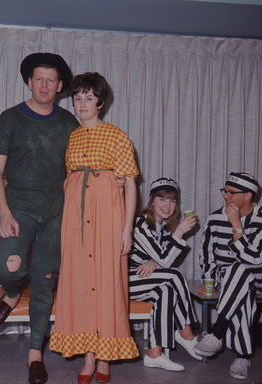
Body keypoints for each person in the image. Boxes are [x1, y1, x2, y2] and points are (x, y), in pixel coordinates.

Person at [0, 52, 79, 384]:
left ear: (60, 86)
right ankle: (11, 294)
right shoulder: (9, 119)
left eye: (50, 79)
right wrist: (4, 214)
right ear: (29, 81)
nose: (44, 84)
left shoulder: (70, 123)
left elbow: (80, 170)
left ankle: (35, 354)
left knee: (44, 283)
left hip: (56, 213)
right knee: (8, 267)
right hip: (18, 210)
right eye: (38, 78)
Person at [49, 72, 140, 384]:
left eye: (89, 98)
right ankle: (88, 355)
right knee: (79, 284)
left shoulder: (117, 136)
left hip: (108, 217)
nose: (82, 104)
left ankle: (104, 358)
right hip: (75, 220)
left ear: (101, 101)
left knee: (106, 281)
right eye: (77, 97)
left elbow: (129, 184)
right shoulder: (72, 136)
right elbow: (70, 179)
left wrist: (127, 229)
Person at [128, 177, 202, 371]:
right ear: (152, 201)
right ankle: (186, 332)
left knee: (166, 291)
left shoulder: (164, 227)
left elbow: (162, 259)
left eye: (172, 200)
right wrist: (179, 233)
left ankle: (154, 353)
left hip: (146, 281)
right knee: (174, 276)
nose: (168, 205)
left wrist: (154, 261)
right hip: (124, 281)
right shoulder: (140, 223)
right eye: (162, 199)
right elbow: (166, 262)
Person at [194, 172, 262, 380]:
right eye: (225, 191)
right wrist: (209, 281)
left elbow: (253, 258)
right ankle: (242, 356)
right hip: (229, 281)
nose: (226, 196)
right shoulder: (215, 218)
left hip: (258, 277)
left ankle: (216, 332)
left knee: (239, 268)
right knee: (238, 280)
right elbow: (207, 253)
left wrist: (236, 225)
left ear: (248, 195)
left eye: (232, 192)